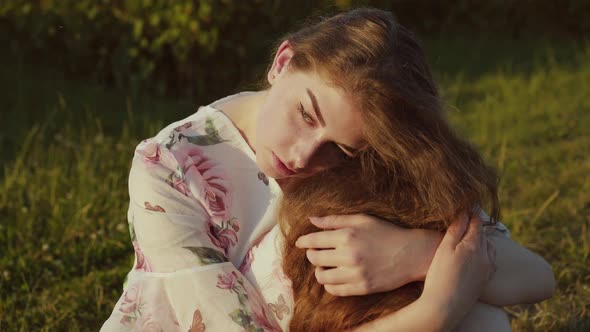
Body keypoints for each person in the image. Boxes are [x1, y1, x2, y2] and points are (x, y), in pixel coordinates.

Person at [101, 8, 555, 332]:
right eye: (305, 113)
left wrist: (416, 254)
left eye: (339, 148)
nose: (303, 157)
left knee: (483, 321)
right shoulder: (169, 166)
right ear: (281, 64)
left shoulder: (371, 153)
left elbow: (536, 277)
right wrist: (432, 311)